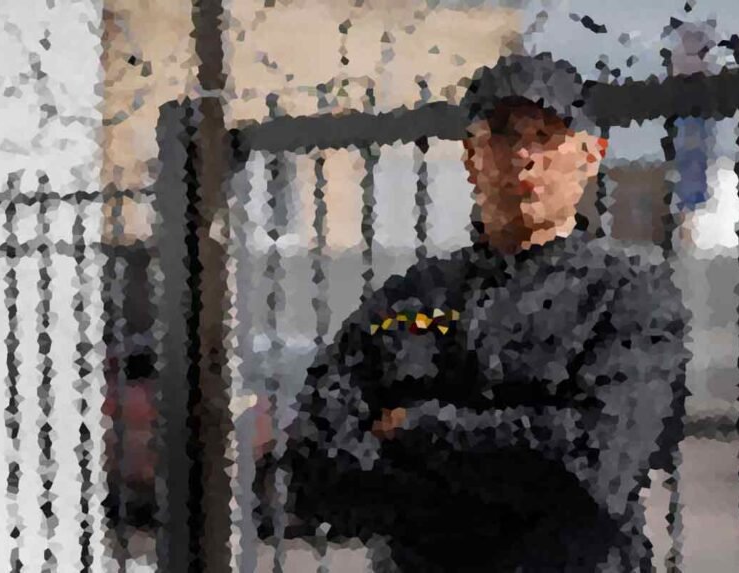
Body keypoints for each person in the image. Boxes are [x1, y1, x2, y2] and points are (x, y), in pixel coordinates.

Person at [252, 53, 692, 572]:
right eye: (504, 136)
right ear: (470, 156)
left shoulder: (628, 296)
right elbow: (316, 466)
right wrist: (504, 481)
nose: (524, 156)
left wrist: (418, 429)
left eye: (546, 136)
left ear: (591, 156)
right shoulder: (409, 300)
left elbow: (594, 465)